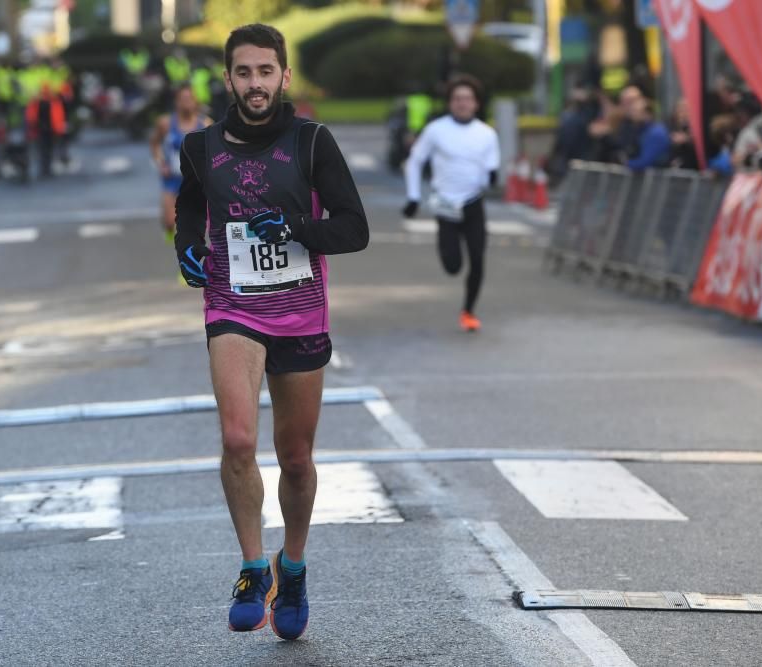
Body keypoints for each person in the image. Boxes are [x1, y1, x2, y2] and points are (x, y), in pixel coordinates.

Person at [174, 23, 368, 640]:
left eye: (265, 72)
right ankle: (255, 568)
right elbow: (189, 208)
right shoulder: (200, 148)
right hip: (232, 304)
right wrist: (185, 247)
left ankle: (296, 565)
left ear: (283, 76)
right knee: (237, 438)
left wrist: (293, 229)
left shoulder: (311, 142)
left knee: (296, 457)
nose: (254, 83)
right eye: (242, 72)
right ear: (227, 78)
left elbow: (353, 229)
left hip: (301, 310)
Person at [402, 74, 500, 332]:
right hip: (446, 204)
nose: (462, 103)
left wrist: (491, 176)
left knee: (478, 259)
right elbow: (414, 162)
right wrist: (413, 197)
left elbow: (491, 167)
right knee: (453, 266)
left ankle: (469, 311)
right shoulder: (436, 130)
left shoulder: (487, 133)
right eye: (457, 98)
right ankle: (450, 256)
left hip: (473, 203)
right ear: (450, 103)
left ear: (476, 104)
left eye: (468, 99)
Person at [150, 84, 211, 244]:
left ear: (196, 101)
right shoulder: (165, 123)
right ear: (176, 102)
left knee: (196, 227)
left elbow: (215, 151)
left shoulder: (205, 124)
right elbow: (154, 144)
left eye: (190, 99)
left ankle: (185, 250)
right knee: (169, 222)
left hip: (194, 182)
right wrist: (160, 163)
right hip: (172, 179)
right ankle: (170, 237)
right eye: (183, 99)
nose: (187, 103)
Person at [26, 83, 66, 178]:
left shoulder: (54, 103)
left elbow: (59, 117)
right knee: (41, 150)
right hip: (39, 130)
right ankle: (43, 169)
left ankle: (47, 169)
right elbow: (30, 117)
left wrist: (59, 129)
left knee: (49, 150)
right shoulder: (36, 103)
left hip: (51, 130)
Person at [625, 98, 670, 172]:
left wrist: (626, 163)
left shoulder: (656, 133)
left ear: (647, 113)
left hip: (655, 180)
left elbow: (645, 162)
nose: (632, 114)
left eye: (635, 111)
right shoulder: (641, 130)